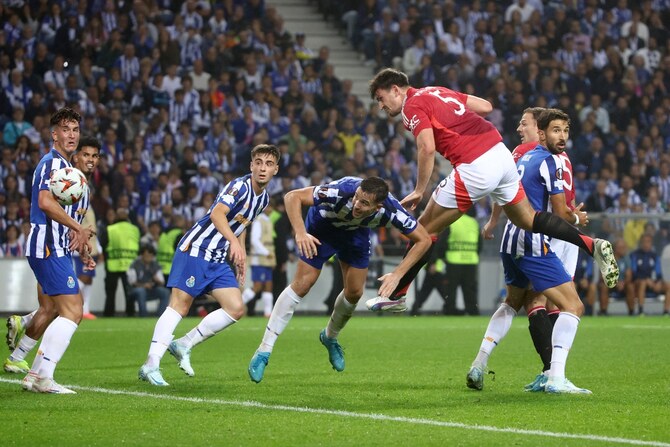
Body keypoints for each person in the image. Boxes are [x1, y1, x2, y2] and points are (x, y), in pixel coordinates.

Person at [365, 69, 618, 313]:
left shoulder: (411, 105)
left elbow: (427, 148)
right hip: (500, 154)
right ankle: (591, 245)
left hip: (474, 165)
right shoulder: (436, 91)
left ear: (396, 89)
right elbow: (486, 107)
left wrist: (420, 189)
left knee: (423, 230)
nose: (381, 105)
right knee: (529, 219)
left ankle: (396, 294)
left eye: (380, 98)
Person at [247, 176, 432, 383]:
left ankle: (330, 337)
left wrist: (398, 274)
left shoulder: (392, 211)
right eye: (357, 197)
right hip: (322, 228)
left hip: (355, 234)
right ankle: (264, 350)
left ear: (378, 207)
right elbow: (292, 197)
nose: (357, 204)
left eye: (364, 203)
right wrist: (300, 233)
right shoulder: (340, 191)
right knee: (303, 284)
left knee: (355, 293)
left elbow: (424, 240)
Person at [465, 108, 592, 394]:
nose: (562, 136)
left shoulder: (523, 156)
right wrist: (576, 218)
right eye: (556, 130)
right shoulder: (551, 160)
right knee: (571, 305)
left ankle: (479, 363)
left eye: (565, 130)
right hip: (538, 237)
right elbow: (559, 213)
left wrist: (495, 220)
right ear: (542, 132)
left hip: (511, 238)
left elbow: (503, 190)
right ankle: (555, 376)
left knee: (515, 301)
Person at [138, 144, 280, 386]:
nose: (262, 168)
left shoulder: (263, 199)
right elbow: (217, 214)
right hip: (197, 249)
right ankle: (151, 364)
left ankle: (184, 343)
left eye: (268, 164)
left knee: (236, 308)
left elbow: (242, 224)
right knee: (180, 306)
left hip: (217, 257)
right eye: (258, 163)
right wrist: (233, 242)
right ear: (251, 165)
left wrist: (241, 255)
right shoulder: (239, 187)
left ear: (275, 169)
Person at [5, 108, 94, 394]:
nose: (72, 135)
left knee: (53, 308)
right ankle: (43, 376)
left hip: (55, 247)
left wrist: (77, 235)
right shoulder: (52, 163)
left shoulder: (65, 167)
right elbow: (44, 202)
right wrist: (77, 227)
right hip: (47, 247)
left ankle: (31, 373)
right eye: (65, 129)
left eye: (75, 130)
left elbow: (61, 211)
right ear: (54, 134)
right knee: (73, 310)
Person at [101, 207, 140, 316]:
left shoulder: (110, 229)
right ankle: (131, 313)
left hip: (112, 264)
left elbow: (103, 244)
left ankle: (108, 314)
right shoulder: (135, 229)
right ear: (127, 217)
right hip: (130, 265)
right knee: (129, 292)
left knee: (110, 292)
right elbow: (139, 245)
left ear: (116, 216)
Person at [443, 206, 482, 316]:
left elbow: (443, 241)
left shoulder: (452, 222)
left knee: (451, 289)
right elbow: (480, 244)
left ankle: (450, 310)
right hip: (471, 260)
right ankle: (473, 311)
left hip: (453, 260)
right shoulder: (474, 223)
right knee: (470, 289)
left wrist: (442, 256)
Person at [241, 202, 276, 317]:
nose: (270, 209)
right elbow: (254, 241)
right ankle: (238, 304)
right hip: (259, 258)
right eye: (269, 207)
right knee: (257, 286)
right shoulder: (258, 221)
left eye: (271, 207)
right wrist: (266, 252)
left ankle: (268, 313)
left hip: (267, 258)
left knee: (268, 285)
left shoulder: (268, 221)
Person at [628, 234, 668, 316]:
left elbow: (658, 272)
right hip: (638, 281)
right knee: (643, 282)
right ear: (640, 243)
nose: (646, 244)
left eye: (648, 242)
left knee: (668, 286)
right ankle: (641, 310)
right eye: (644, 242)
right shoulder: (634, 255)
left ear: (651, 243)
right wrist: (646, 279)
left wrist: (658, 282)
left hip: (652, 282)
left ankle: (666, 311)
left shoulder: (654, 256)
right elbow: (634, 272)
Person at [127, 245, 170, 317]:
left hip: (151, 290)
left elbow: (162, 282)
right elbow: (131, 282)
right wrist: (144, 285)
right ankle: (143, 316)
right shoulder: (135, 264)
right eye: (147, 255)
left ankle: (160, 316)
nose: (149, 258)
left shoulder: (155, 265)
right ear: (142, 255)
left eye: (151, 256)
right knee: (141, 291)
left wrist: (156, 279)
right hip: (136, 291)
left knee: (165, 292)